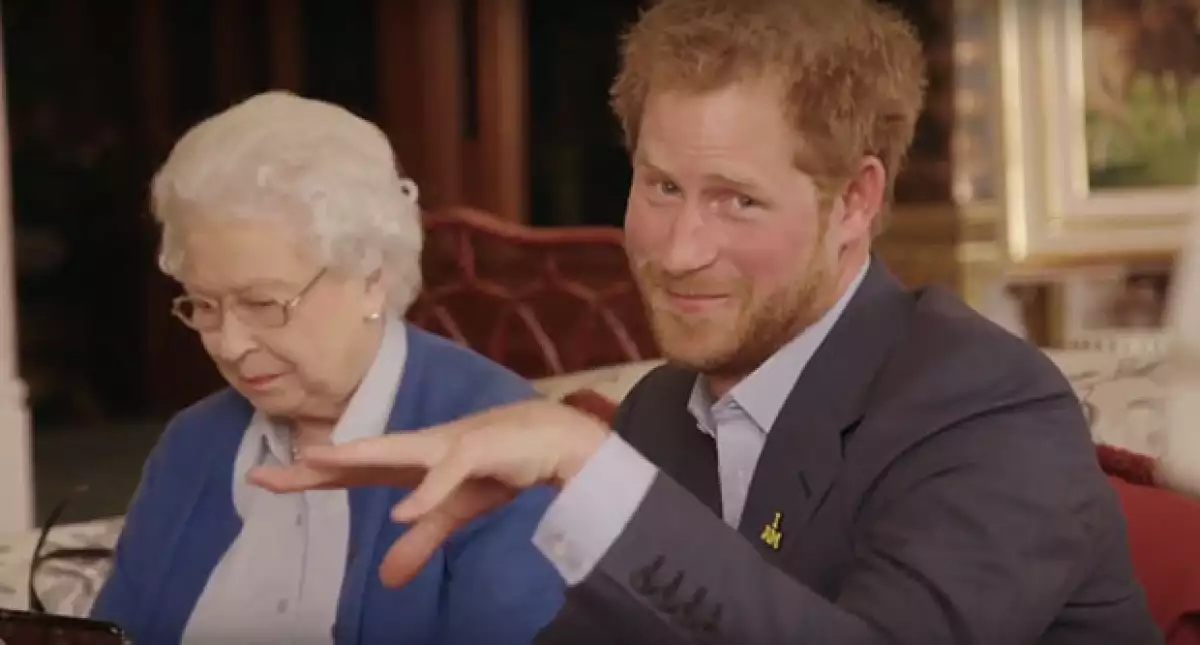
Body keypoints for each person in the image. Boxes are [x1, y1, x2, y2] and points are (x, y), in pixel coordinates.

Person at [251, 1, 1162, 643]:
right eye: (661, 186)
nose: (678, 250)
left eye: (736, 200)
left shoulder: (986, 405)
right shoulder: (662, 411)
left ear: (854, 201)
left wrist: (586, 463)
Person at [90, 91, 564, 644]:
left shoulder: (498, 443)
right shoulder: (191, 446)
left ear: (372, 278)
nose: (230, 345)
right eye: (204, 305)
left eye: (263, 304)